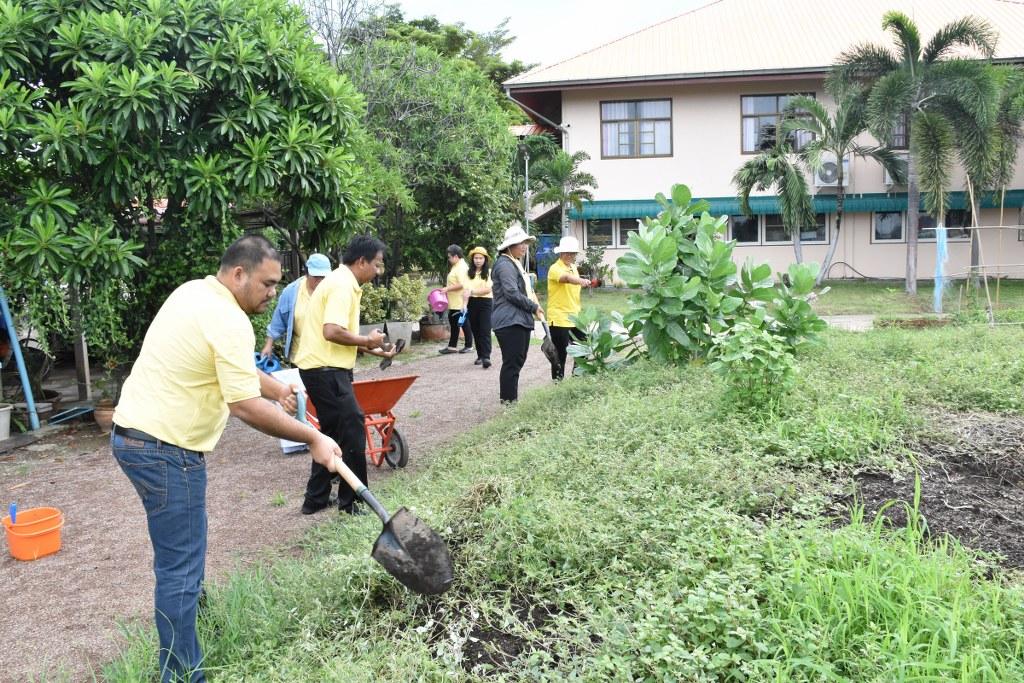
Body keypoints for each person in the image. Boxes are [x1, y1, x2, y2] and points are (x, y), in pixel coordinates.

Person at [111, 235, 345, 683]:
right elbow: (242, 406)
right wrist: (313, 438)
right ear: (239, 274)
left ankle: (198, 630)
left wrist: (275, 387)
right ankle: (182, 675)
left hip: (133, 438)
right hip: (166, 449)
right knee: (179, 566)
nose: (273, 293)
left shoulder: (194, 293)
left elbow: (229, 366)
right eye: (268, 284)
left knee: (186, 549)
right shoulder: (229, 319)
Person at [293, 235, 397, 516]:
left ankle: (315, 499)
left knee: (332, 433)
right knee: (352, 430)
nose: (378, 272)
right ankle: (352, 503)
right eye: (376, 265)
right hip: (325, 370)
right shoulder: (342, 285)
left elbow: (342, 336)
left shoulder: (342, 282)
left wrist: (377, 350)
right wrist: (368, 341)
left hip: (322, 368)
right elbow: (332, 331)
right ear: (361, 261)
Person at [491, 226, 544, 403]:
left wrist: (534, 306)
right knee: (512, 363)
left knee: (516, 361)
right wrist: (533, 307)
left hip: (517, 320)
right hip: (509, 321)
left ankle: (510, 401)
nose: (524, 247)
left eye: (526, 243)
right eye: (520, 243)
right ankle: (509, 403)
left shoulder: (513, 263)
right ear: (509, 245)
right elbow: (511, 292)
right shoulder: (505, 264)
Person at [260, 253, 332, 363]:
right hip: (300, 358)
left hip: (328, 358)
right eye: (316, 277)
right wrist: (268, 345)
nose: (320, 281)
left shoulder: (334, 291)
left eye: (323, 277)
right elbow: (278, 321)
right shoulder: (291, 292)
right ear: (307, 274)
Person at [546, 235, 591, 380]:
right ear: (561, 253)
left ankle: (577, 378)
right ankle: (558, 383)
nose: (570, 256)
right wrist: (581, 281)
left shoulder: (573, 268)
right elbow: (565, 279)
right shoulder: (555, 268)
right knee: (560, 354)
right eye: (567, 253)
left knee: (584, 346)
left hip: (575, 316)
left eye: (573, 253)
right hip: (559, 317)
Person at [438, 244, 473, 355]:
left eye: (449, 257)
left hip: (460, 301)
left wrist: (447, 288)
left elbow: (462, 284)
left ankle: (469, 345)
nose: (448, 259)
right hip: (454, 302)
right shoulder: (456, 266)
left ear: (456, 256)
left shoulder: (462, 267)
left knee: (463, 322)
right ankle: (452, 346)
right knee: (453, 322)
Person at [465, 246, 494, 369]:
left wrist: (472, 292)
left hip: (486, 303)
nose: (478, 260)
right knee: (476, 330)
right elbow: (466, 290)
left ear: (485, 259)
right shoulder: (468, 273)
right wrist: (464, 306)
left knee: (485, 329)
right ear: (472, 259)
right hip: (472, 303)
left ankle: (486, 356)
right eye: (476, 258)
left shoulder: (489, 272)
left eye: (480, 258)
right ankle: (480, 355)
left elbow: (488, 289)